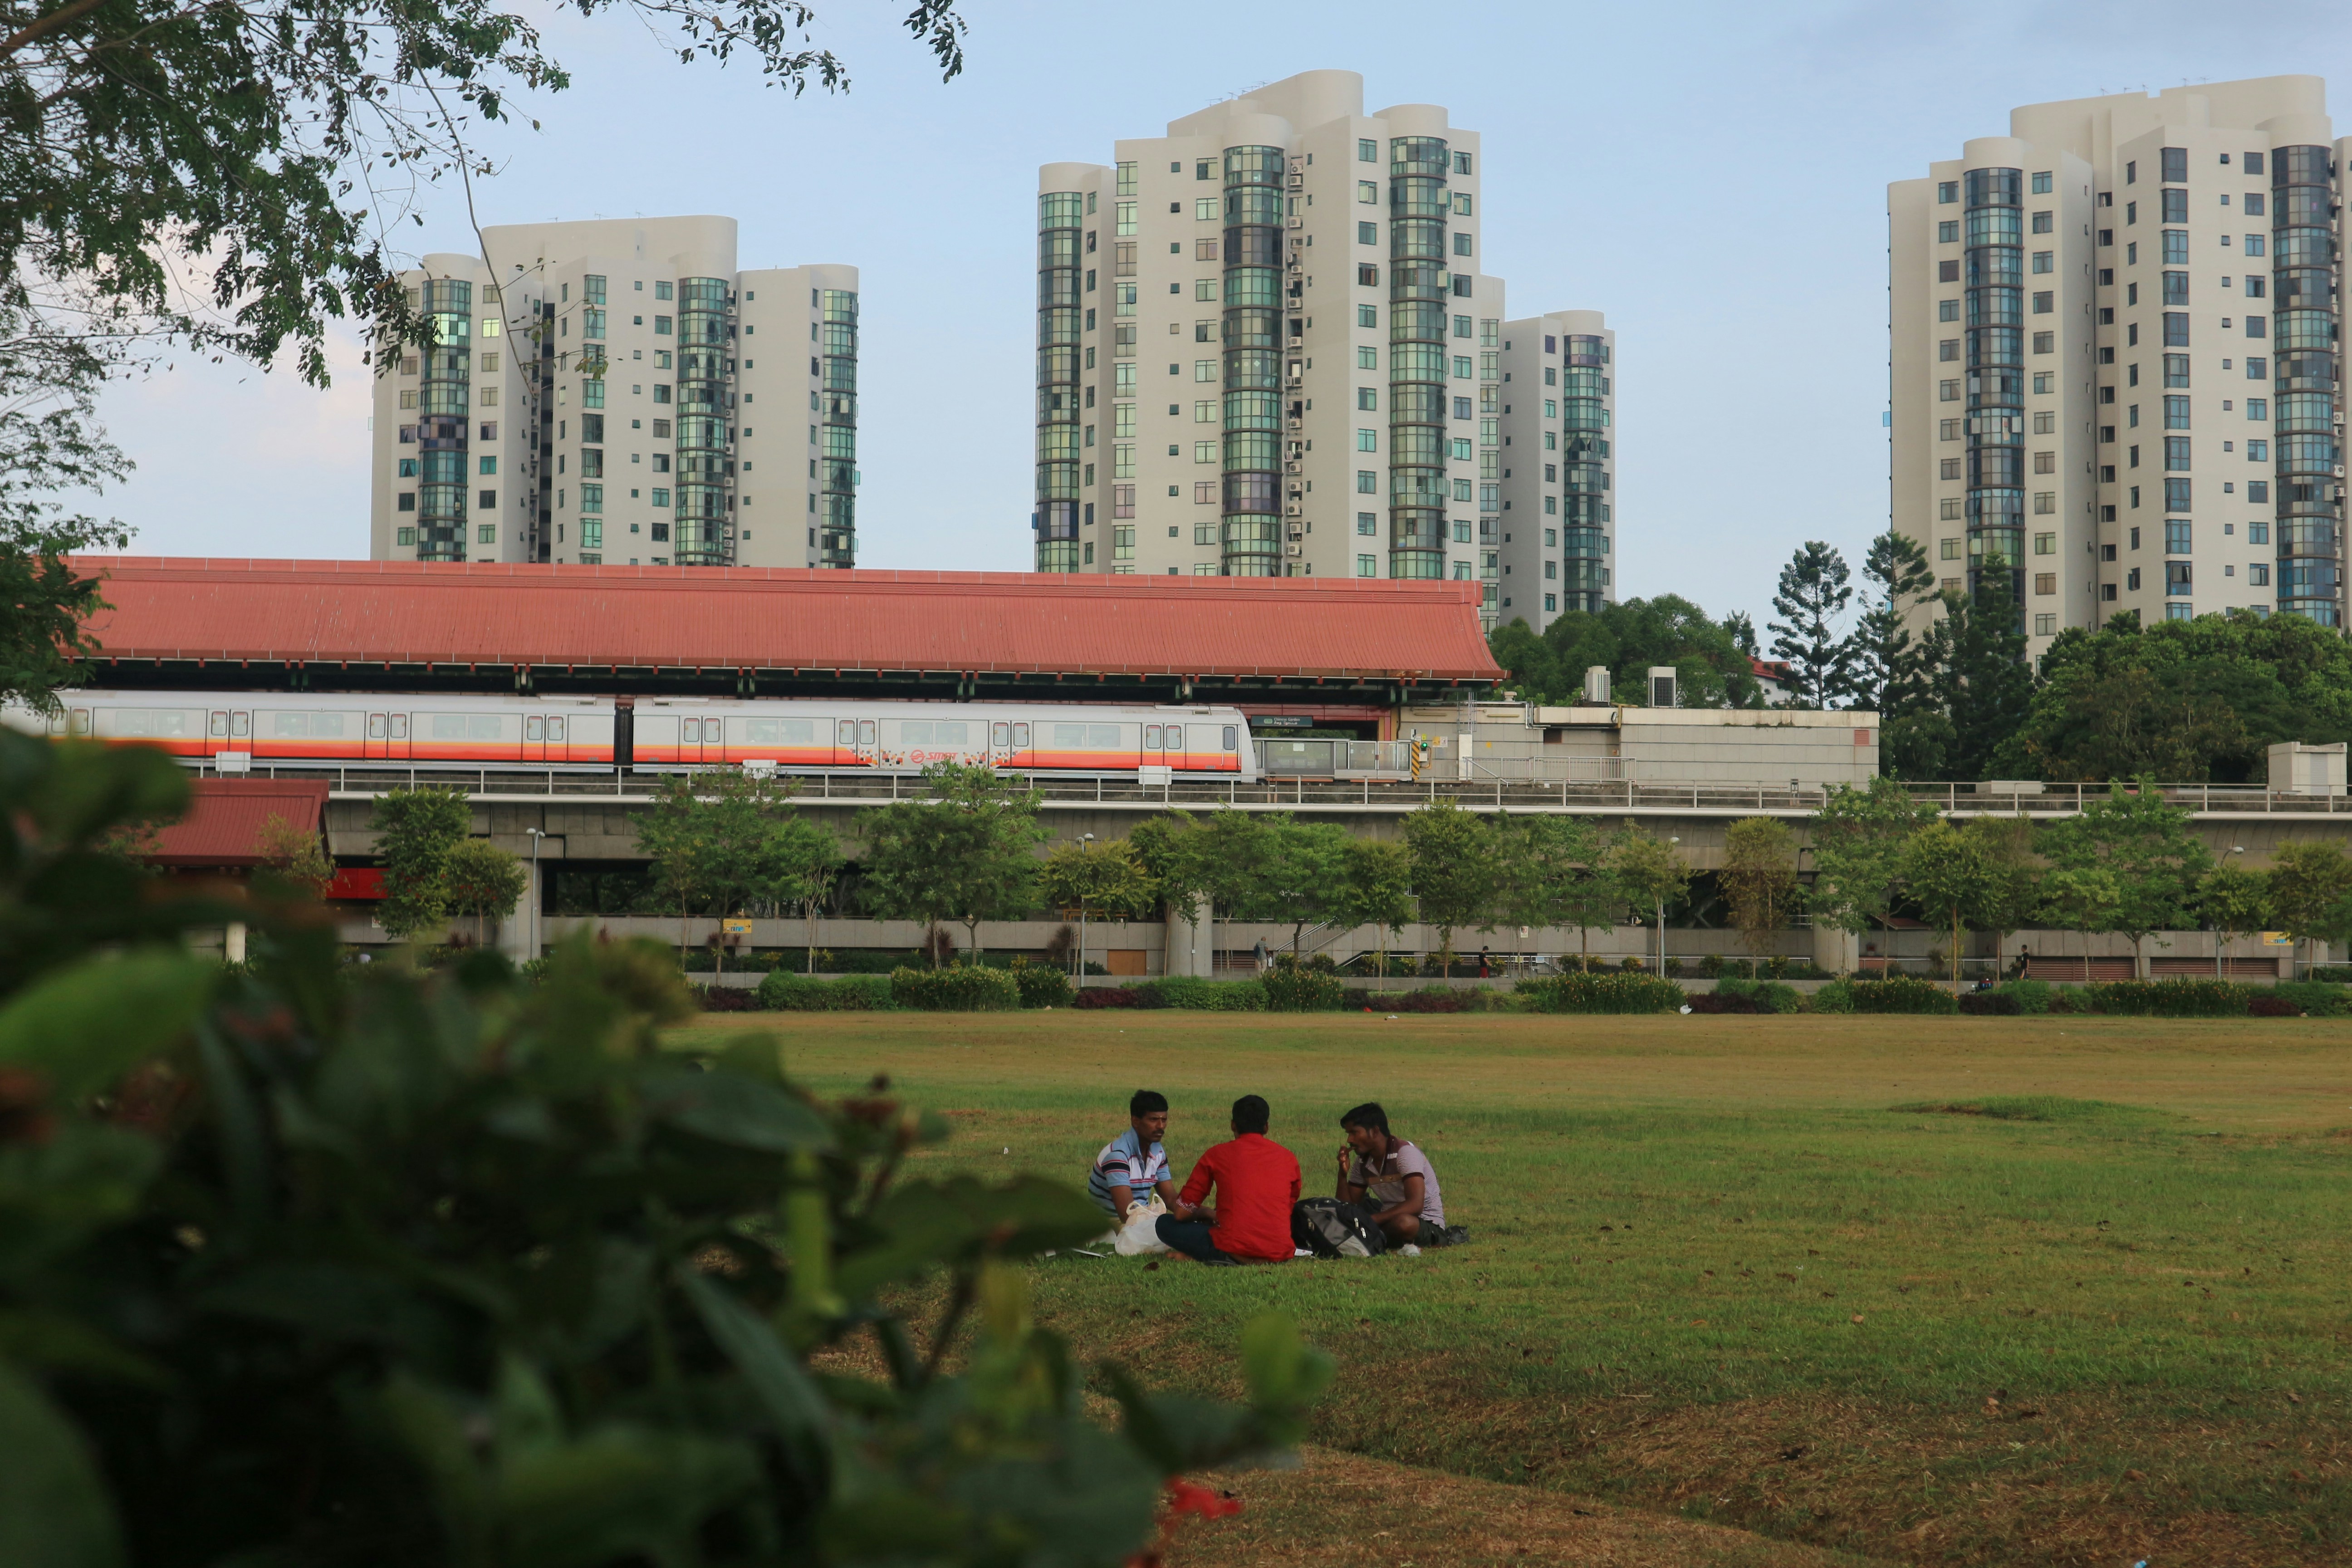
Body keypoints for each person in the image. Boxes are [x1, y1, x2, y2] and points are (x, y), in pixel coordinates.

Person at [1157, 1095, 1301, 1265]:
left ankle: (1210, 1257)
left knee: (1164, 1223)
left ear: (1233, 1125)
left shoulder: (1216, 1155)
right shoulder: (1288, 1158)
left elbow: (1181, 1213)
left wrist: (1205, 1213)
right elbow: (1288, 1206)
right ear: (1266, 1127)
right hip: (1279, 1251)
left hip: (1233, 1248)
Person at [1336, 1102, 1456, 1251]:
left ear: (1374, 1131)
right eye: (1349, 1134)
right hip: (1387, 1219)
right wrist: (1342, 1174)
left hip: (1424, 1222)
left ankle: (1370, 1236)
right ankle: (1371, 1234)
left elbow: (1415, 1206)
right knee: (1347, 1215)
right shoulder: (1363, 1161)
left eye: (1354, 1133)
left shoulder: (1405, 1154)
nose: (1350, 1140)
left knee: (1403, 1224)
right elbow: (1345, 1207)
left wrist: (1371, 1221)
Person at [1088, 1090, 1186, 1218]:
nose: (1161, 1126)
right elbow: (1127, 1215)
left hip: (1140, 1221)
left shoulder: (1158, 1152)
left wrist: (1202, 1213)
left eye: (1164, 1120)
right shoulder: (1118, 1156)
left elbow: (1171, 1199)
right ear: (1136, 1121)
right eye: (1154, 1120)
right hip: (1109, 1224)